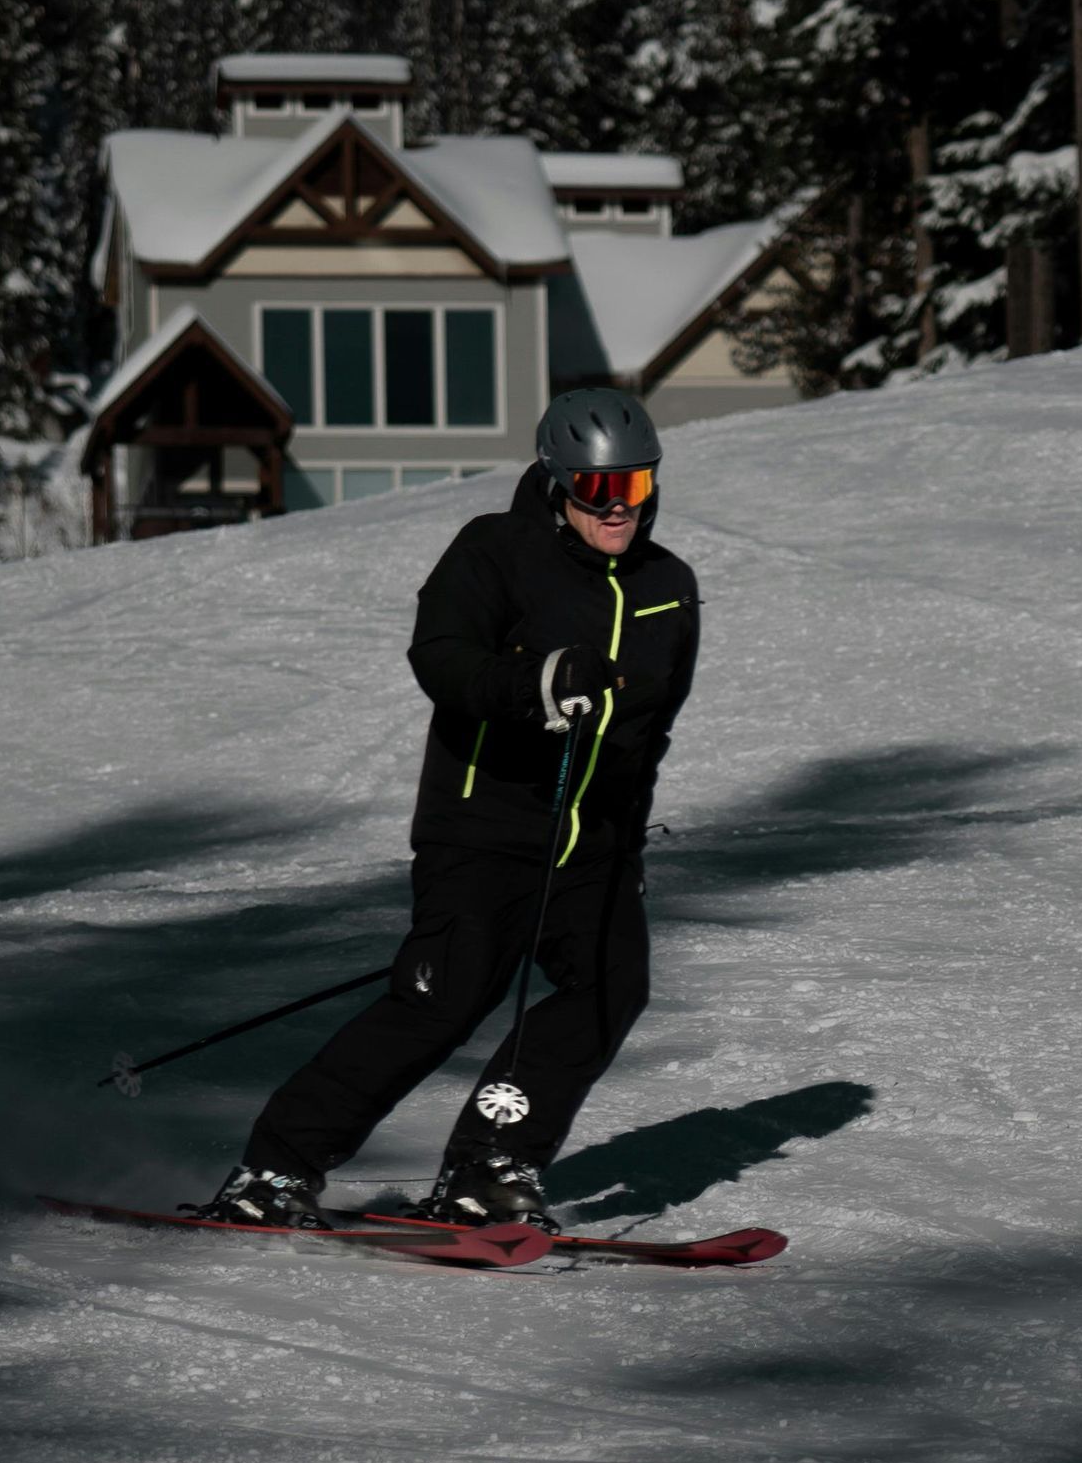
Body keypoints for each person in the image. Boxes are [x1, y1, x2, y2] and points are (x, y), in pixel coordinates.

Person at [191, 388, 700, 1233]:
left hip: (596, 843)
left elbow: (652, 732)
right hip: (485, 828)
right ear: (556, 483)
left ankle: (489, 1166)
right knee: (443, 999)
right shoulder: (494, 553)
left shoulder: (666, 586)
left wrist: (629, 845)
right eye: (599, 492)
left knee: (611, 991)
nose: (620, 510)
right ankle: (274, 1170)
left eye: (637, 488)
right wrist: (534, 685)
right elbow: (443, 661)